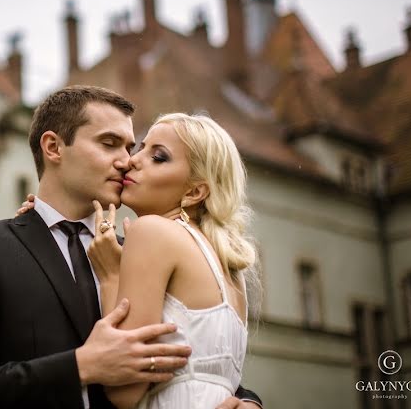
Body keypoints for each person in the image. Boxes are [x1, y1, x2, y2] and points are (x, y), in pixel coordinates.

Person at [0, 86, 261, 409]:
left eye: (131, 147)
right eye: (109, 144)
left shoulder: (138, 254)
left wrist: (248, 401)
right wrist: (78, 367)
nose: (127, 161)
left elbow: (195, 355)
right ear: (54, 147)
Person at [23, 112, 259, 408]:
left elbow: (125, 393)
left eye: (158, 157)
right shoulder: (228, 267)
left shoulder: (151, 232)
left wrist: (111, 276)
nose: (132, 160)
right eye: (141, 149)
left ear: (195, 191)